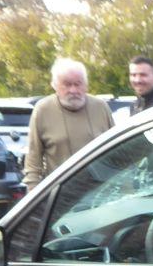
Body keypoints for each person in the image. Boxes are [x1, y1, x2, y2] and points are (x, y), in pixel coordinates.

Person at [23, 58, 113, 188]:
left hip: (100, 191)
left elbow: (118, 152)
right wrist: (33, 190)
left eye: (78, 84)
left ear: (86, 85)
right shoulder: (43, 110)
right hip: (61, 192)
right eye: (67, 84)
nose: (73, 90)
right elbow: (33, 160)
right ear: (54, 86)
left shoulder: (101, 107)